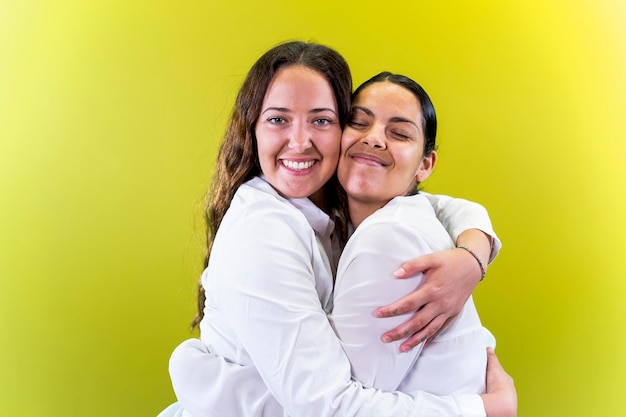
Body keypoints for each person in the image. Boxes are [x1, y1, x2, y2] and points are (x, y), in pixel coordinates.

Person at [167, 40, 516, 417]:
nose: (300, 142)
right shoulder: (264, 233)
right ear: (251, 130)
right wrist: (480, 411)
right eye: (278, 119)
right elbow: (326, 406)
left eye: (321, 120)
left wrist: (473, 256)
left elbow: (439, 205)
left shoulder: (338, 204)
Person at [331, 71, 500, 396]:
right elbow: (451, 206)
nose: (374, 138)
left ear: (425, 164)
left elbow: (334, 401)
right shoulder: (402, 215)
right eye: (359, 122)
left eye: (399, 133)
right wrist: (474, 256)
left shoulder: (387, 238)